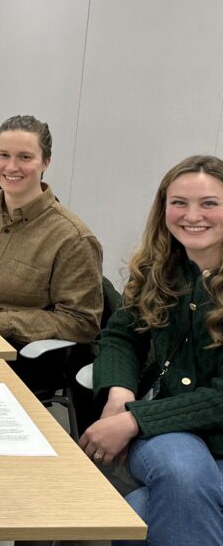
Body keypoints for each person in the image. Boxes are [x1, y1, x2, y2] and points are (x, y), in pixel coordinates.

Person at [80, 155, 223, 546]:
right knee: (181, 471)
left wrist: (132, 421)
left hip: (172, 426)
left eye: (209, 203)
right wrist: (119, 393)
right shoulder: (161, 269)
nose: (192, 215)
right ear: (163, 210)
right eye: (179, 203)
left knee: (140, 511)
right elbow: (120, 336)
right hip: (170, 435)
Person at [0, 115, 102, 377]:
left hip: (14, 354)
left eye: (25, 157)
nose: (11, 167)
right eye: (3, 155)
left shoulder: (72, 239)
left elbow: (81, 322)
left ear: (46, 161)